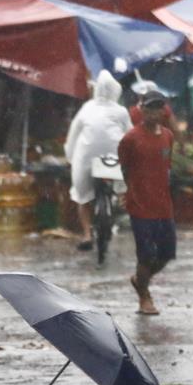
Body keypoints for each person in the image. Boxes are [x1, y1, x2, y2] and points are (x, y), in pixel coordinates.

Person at [118, 90, 176, 316]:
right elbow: (124, 169)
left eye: (158, 108)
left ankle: (140, 280)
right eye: (150, 108)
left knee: (166, 254)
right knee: (145, 256)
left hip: (163, 205)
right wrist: (128, 192)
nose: (154, 113)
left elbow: (167, 167)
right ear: (142, 110)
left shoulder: (168, 136)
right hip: (140, 206)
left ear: (164, 111)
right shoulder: (130, 139)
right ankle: (144, 296)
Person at [64, 70, 131, 251]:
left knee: (82, 198)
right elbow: (131, 136)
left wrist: (69, 157)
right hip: (114, 160)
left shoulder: (87, 108)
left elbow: (73, 135)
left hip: (85, 160)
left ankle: (87, 234)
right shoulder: (121, 111)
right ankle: (120, 199)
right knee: (123, 188)